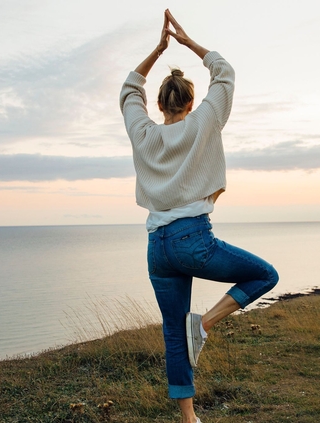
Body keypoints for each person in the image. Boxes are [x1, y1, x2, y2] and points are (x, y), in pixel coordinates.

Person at [119, 10, 279, 423]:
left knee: (173, 333)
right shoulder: (205, 121)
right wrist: (189, 43)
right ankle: (204, 325)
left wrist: (157, 50)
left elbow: (127, 90)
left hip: (157, 247)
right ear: (190, 102)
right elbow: (223, 73)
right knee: (264, 275)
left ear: (158, 104)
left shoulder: (144, 134)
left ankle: (188, 419)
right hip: (193, 240)